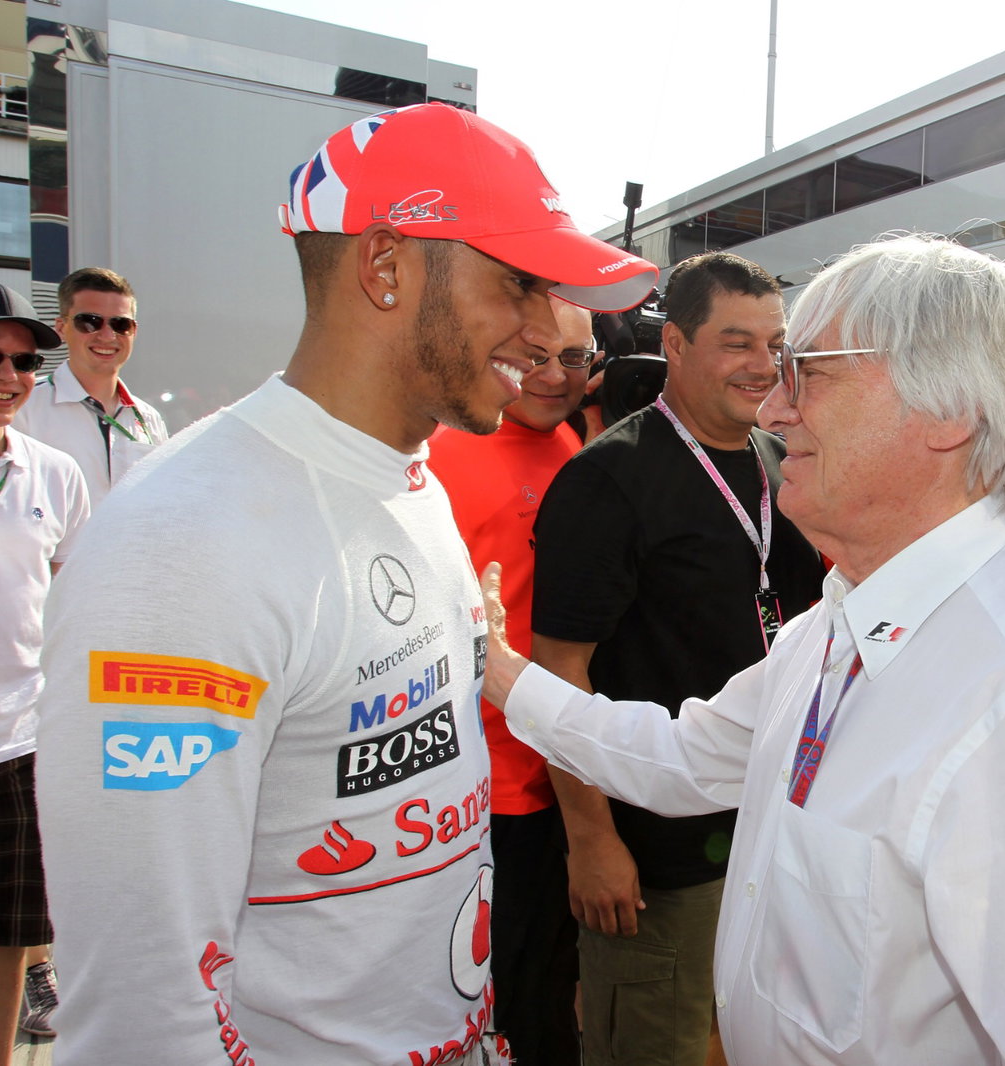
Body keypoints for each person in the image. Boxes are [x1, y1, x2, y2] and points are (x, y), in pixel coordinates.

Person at [34, 102, 658, 1064]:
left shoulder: (411, 479)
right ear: (384, 267)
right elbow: (142, 1010)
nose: (549, 333)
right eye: (519, 283)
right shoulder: (183, 543)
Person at [486, 235, 1005, 1064]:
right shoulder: (838, 622)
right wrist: (503, 672)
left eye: (809, 369)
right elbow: (680, 757)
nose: (774, 407)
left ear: (948, 410)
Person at [529, 251, 823, 1066]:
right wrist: (590, 839)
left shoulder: (778, 463)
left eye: (775, 342)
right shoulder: (610, 479)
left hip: (764, 832)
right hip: (655, 857)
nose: (763, 364)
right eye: (737, 342)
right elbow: (559, 671)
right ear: (677, 346)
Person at [426, 298, 599, 1064]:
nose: (556, 375)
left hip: (570, 771)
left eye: (576, 358)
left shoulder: (579, 447)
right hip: (477, 790)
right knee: (480, 996)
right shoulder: (438, 453)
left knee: (547, 993)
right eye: (539, 355)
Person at [0, 287, 88, 1065]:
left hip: (19, 737)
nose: (10, 375)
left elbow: (79, 601)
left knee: (10, 936)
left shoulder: (53, 475)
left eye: (23, 362)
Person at [12, 267, 168, 503]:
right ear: (62, 328)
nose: (107, 336)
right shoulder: (24, 409)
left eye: (120, 324)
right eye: (89, 322)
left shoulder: (148, 418)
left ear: (134, 331)